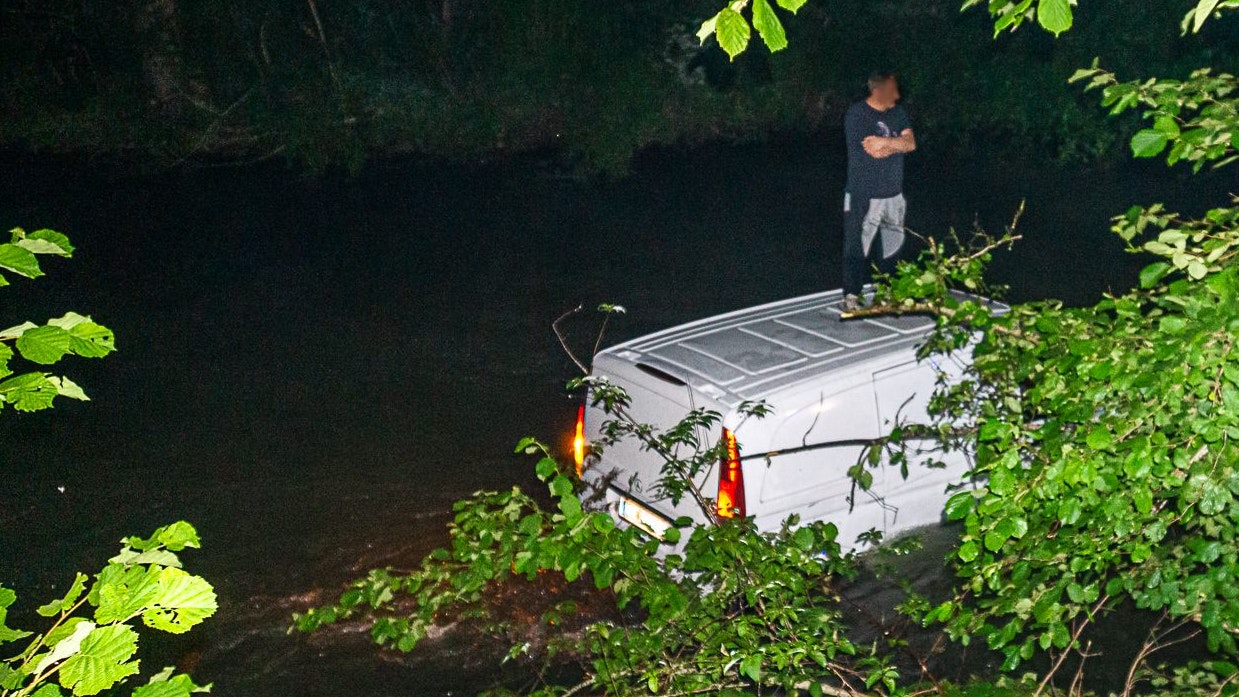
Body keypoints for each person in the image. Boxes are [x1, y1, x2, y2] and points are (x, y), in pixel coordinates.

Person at [842, 72, 916, 312]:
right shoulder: (857, 114)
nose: (897, 95)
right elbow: (872, 151)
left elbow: (911, 144)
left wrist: (886, 143)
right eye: (892, 89)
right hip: (863, 194)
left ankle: (885, 292)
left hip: (894, 194)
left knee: (892, 247)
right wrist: (897, 145)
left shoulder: (898, 113)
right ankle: (852, 295)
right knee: (856, 248)